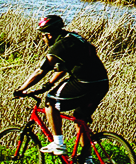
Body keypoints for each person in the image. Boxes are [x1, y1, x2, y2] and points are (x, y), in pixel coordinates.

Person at [14, 13, 110, 156]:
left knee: (50, 101)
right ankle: (86, 159)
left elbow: (40, 71)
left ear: (49, 35)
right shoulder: (73, 38)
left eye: (43, 36)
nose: (42, 39)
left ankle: (58, 143)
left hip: (85, 83)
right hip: (101, 83)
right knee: (80, 118)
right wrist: (49, 84)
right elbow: (64, 68)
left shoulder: (59, 46)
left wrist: (21, 89)